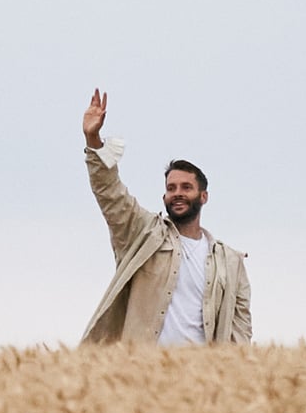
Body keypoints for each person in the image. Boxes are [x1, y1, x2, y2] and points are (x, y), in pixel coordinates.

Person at [78, 88, 252, 346]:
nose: (177, 194)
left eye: (186, 188)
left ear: (203, 197)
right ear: (164, 197)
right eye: (171, 188)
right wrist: (93, 140)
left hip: (201, 377)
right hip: (142, 372)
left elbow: (241, 329)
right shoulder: (143, 233)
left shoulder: (229, 262)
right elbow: (110, 194)